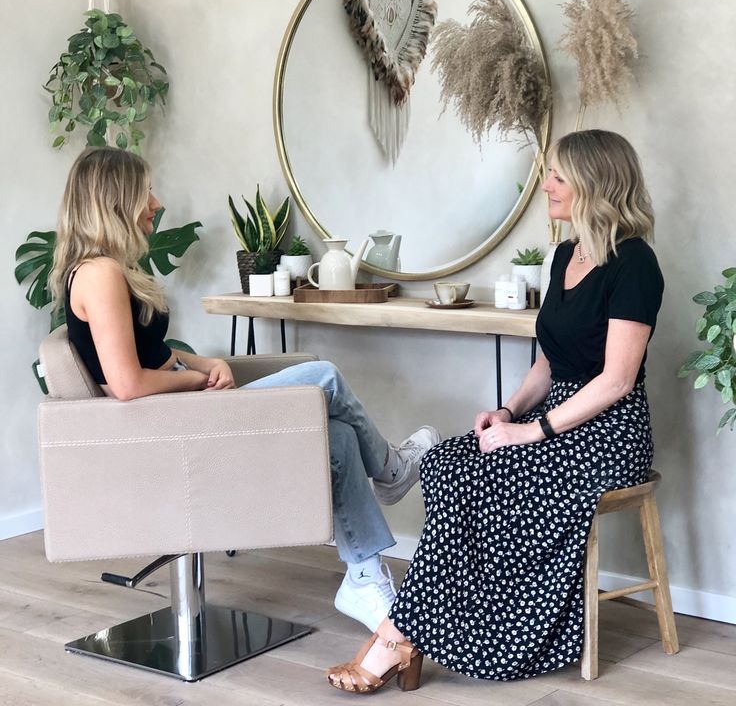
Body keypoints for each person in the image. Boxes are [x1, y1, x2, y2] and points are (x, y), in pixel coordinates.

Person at [326, 129, 664, 693]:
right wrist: (508, 412)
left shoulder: (635, 265)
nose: (547, 186)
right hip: (555, 419)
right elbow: (549, 364)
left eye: (557, 176)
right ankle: (417, 630)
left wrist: (534, 431)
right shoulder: (564, 255)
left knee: (500, 472)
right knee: (445, 464)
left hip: (610, 433)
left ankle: (396, 638)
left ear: (593, 183)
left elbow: (616, 380)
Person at [49, 146, 441, 632]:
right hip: (175, 428)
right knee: (324, 376)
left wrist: (202, 362)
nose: (155, 202)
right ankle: (392, 469)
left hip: (178, 415)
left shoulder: (105, 270)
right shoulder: (100, 274)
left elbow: (147, 356)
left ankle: (363, 575)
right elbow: (126, 384)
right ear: (115, 200)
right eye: (145, 190)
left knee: (337, 438)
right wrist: (196, 380)